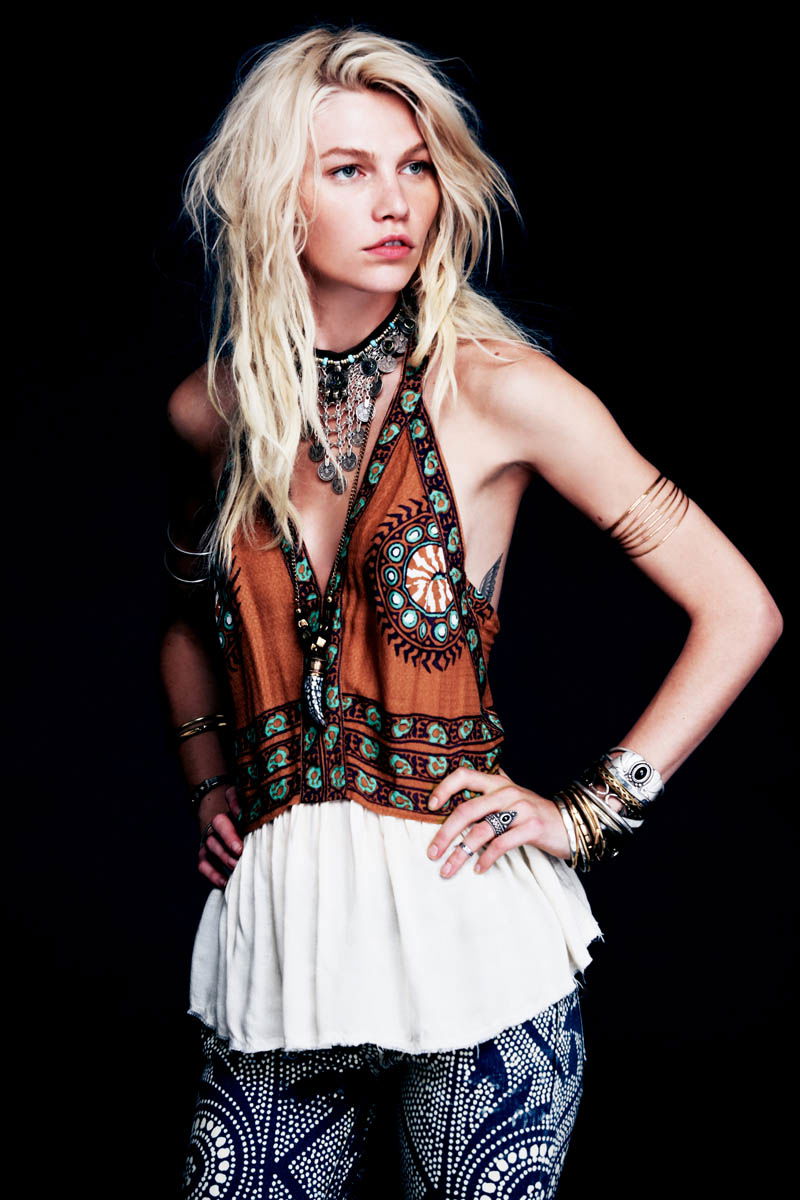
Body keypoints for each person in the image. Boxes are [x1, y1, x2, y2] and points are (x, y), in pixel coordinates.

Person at [159, 25, 783, 1200]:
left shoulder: (501, 391)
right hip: (283, 951)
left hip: (477, 956)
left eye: (415, 166)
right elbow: (194, 622)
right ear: (273, 196)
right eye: (348, 169)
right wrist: (209, 783)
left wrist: (588, 814)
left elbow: (737, 608)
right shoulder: (214, 408)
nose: (396, 201)